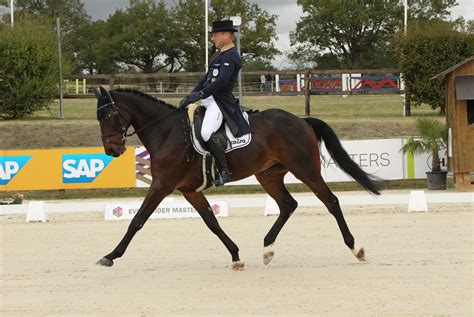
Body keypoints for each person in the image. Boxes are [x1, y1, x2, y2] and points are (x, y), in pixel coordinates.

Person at [179, 20, 251, 186]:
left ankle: (225, 171)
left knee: (206, 133)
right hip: (207, 100)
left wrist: (200, 94)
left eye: (215, 35)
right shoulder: (217, 55)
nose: (213, 39)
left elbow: (222, 82)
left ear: (227, 35)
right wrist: (191, 96)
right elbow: (206, 79)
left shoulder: (232, 56)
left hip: (219, 102)